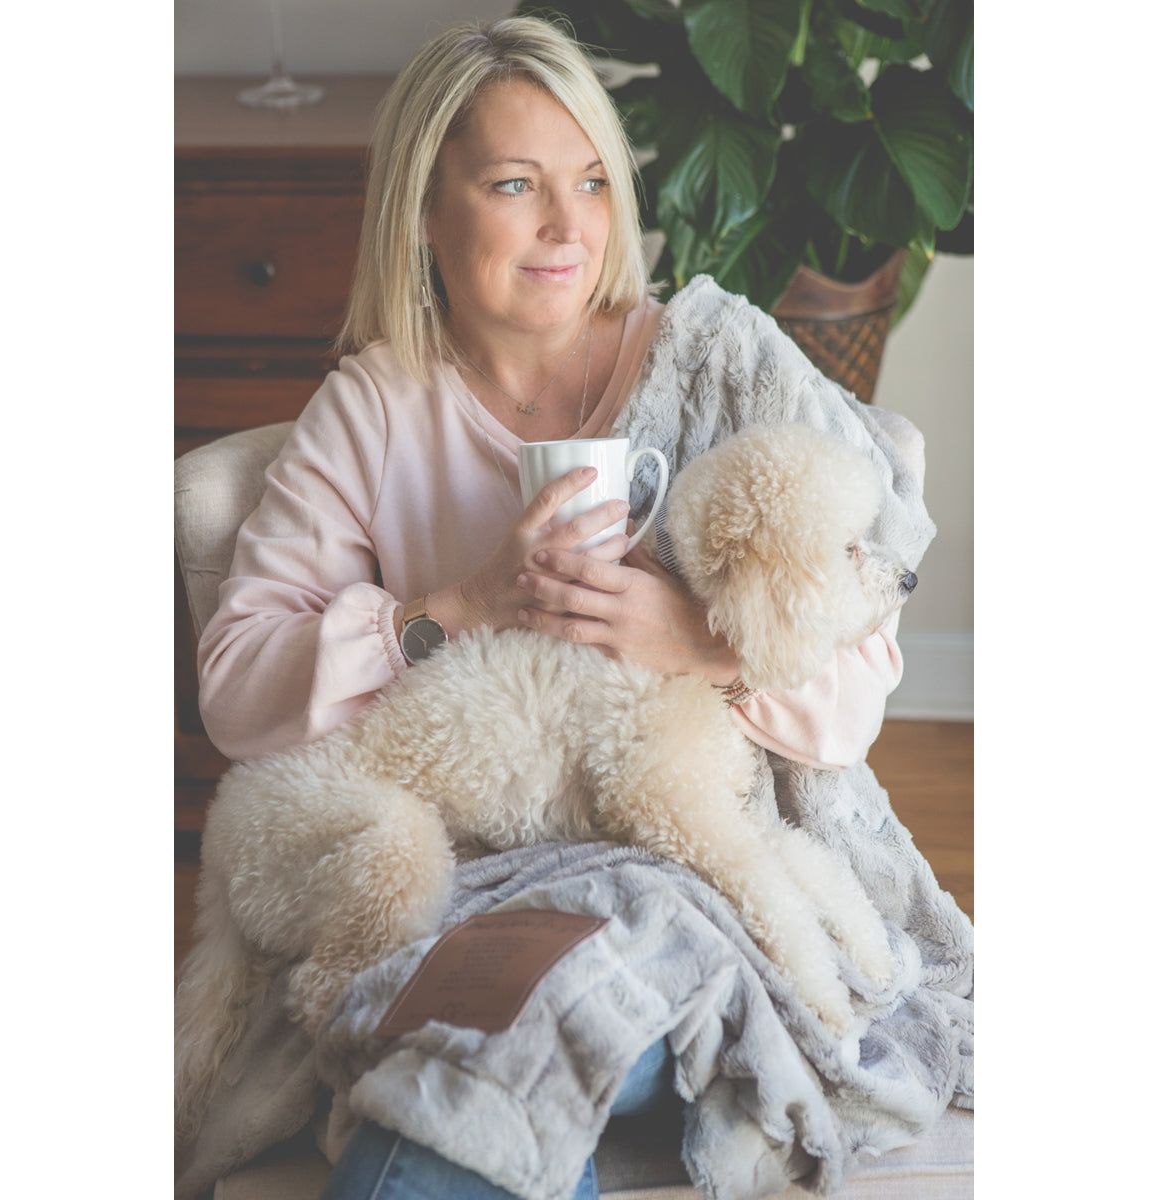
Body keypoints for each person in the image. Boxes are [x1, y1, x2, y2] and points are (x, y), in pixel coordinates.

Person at [195, 15, 905, 1200]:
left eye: (590, 183)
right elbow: (235, 686)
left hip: (677, 884)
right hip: (464, 881)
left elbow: (857, 693)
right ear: (426, 208)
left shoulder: (710, 364)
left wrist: (694, 644)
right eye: (516, 185)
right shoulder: (377, 409)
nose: (570, 227)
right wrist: (454, 606)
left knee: (477, 1082)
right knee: (466, 1068)